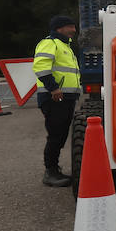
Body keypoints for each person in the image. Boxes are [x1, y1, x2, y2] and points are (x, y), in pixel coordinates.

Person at [33, 15, 81, 187]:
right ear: (59, 28)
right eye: (71, 26)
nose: (74, 30)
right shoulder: (50, 43)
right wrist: (53, 88)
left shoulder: (64, 46)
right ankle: (50, 172)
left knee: (60, 135)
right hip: (54, 97)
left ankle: (54, 170)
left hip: (65, 97)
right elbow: (40, 67)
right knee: (55, 135)